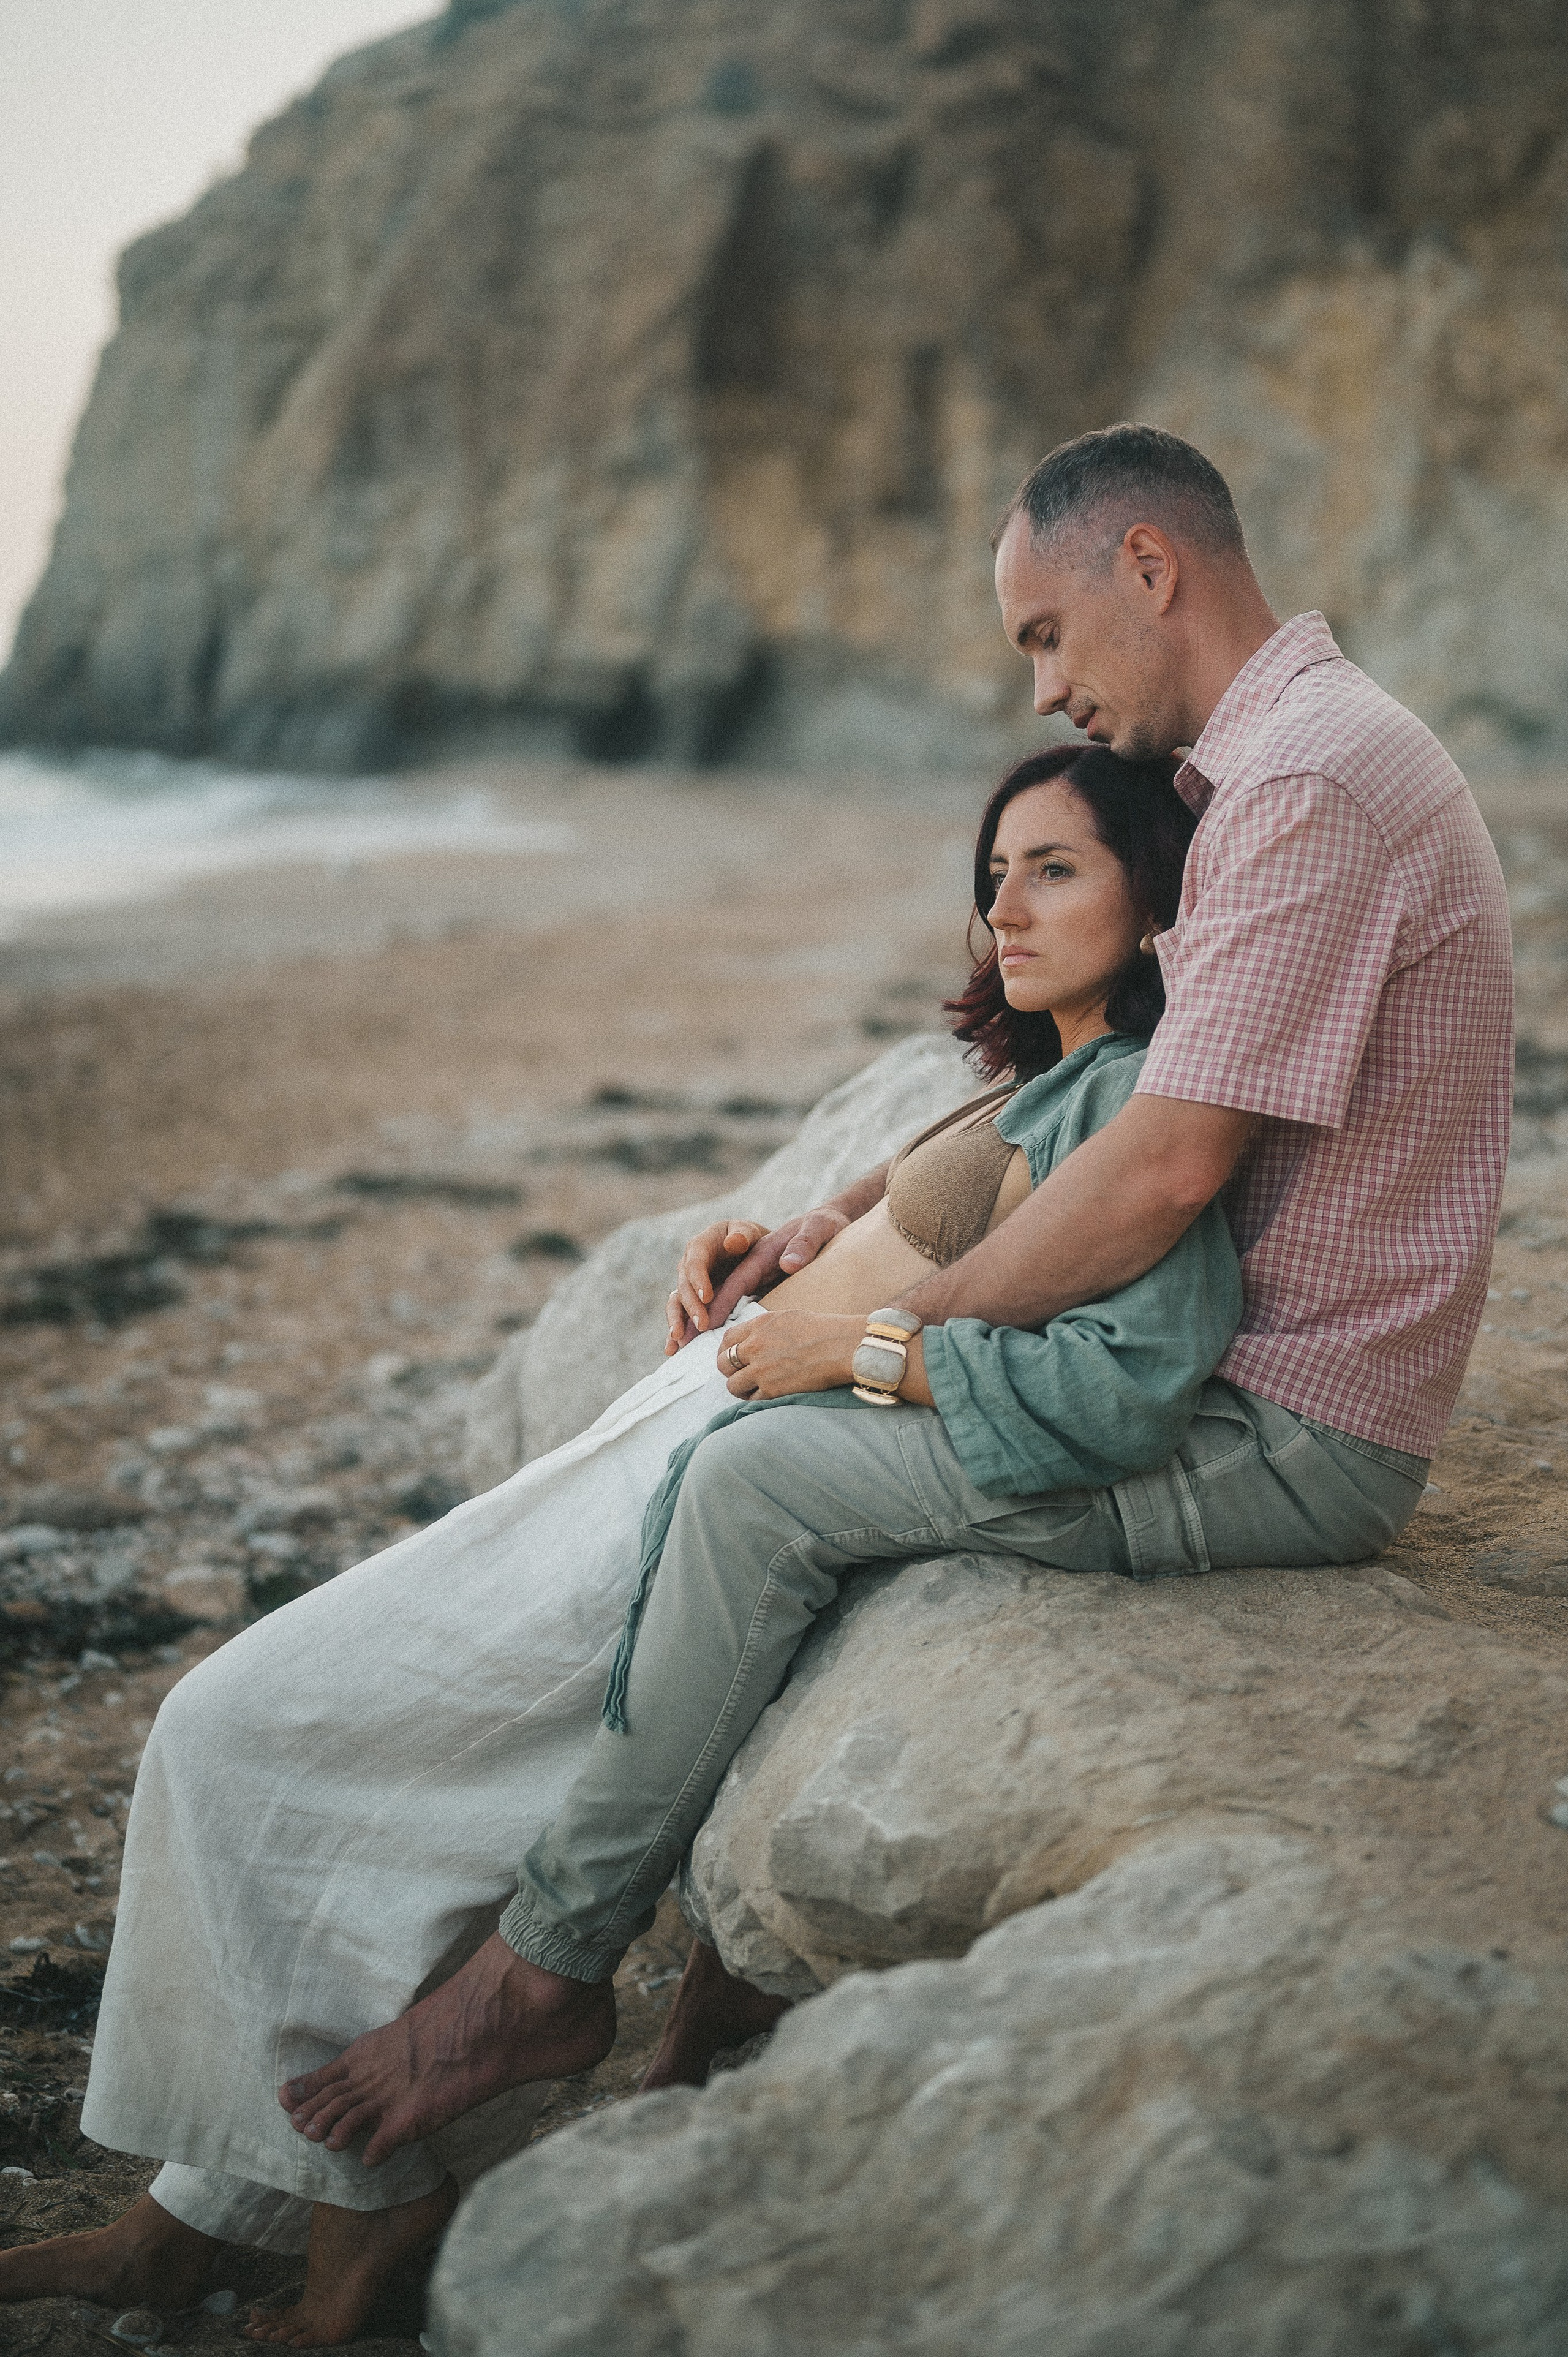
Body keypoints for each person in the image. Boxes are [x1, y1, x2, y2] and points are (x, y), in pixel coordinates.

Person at [258, 423, 1512, 2288]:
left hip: (1281, 1426)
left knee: (761, 1485)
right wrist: (839, 1234)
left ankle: (537, 1976)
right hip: (1238, 1372)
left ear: (1151, 567)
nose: (1047, 685)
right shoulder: (1298, 763)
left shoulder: (1310, 784)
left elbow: (1167, 1166)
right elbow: (1099, 1104)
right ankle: (647, 1983)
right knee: (761, 1449)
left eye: (1043, 635)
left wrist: (881, 1328)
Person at [0, 737, 1248, 2348]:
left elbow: (1121, 1366)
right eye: (993, 870)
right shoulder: (1058, 1073)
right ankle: (196, 2220)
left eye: (1057, 867)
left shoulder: (1147, 1100)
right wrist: (797, 1243)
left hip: (735, 1464)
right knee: (321, 1766)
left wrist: (843, 1342)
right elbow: (933, 1214)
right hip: (688, 1413)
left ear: (1158, 905)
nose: (1004, 901)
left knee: (229, 1728)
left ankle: (369, 2220)